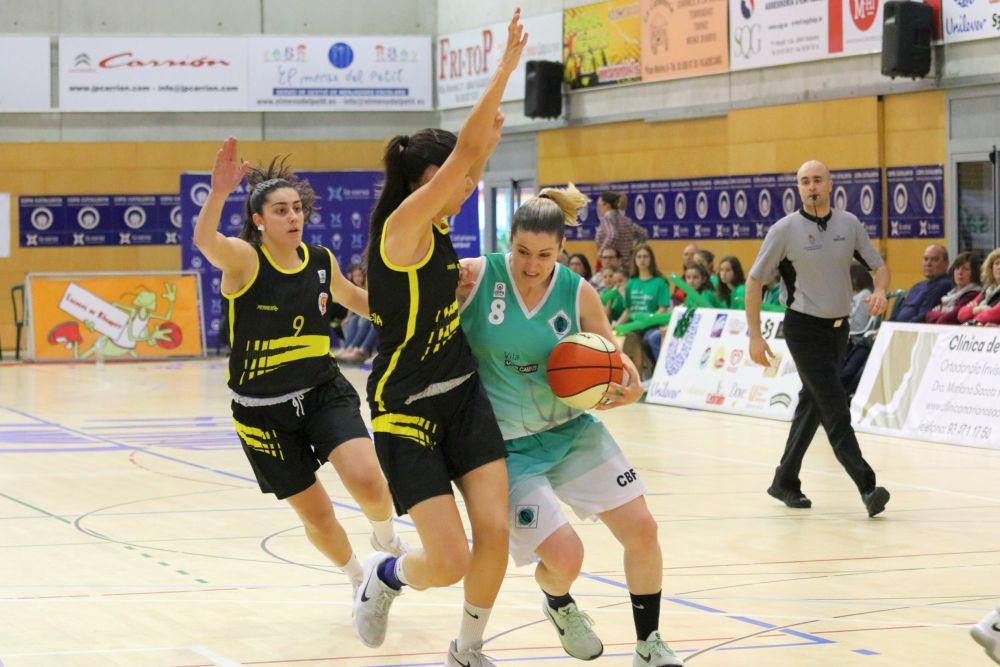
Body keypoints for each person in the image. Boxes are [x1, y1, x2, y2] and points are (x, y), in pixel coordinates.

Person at [351, 12, 527, 667]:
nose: (468, 182)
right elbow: (466, 157)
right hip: (405, 409)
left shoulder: (443, 224)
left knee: (494, 533)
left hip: (462, 394)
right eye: (451, 174)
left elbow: (470, 159)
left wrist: (480, 144)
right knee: (448, 559)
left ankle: (468, 646)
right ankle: (386, 576)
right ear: (424, 180)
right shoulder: (400, 227)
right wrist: (503, 72)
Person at [458, 184, 685, 667]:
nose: (532, 264)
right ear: (508, 241)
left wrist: (631, 381)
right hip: (507, 449)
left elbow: (611, 351)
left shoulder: (576, 290)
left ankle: (649, 644)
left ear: (561, 250)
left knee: (643, 529)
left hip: (572, 431)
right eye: (521, 251)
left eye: (544, 254)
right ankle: (559, 603)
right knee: (567, 558)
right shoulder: (477, 276)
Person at [192, 138, 407, 607]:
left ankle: (385, 537)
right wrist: (219, 191)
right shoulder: (245, 261)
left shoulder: (321, 261)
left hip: (321, 391)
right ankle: (358, 580)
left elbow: (362, 304)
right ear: (259, 221)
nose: (293, 218)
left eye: (296, 209)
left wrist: (422, 314)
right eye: (280, 211)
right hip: (261, 413)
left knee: (369, 480)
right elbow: (205, 240)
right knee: (319, 515)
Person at [745, 160, 892, 517]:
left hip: (839, 329)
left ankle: (785, 481)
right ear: (798, 188)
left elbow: (879, 266)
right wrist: (755, 337)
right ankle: (867, 485)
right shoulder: (784, 230)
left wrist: (881, 290)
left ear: (830, 185)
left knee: (813, 404)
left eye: (817, 180)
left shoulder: (849, 224)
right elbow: (754, 282)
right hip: (803, 328)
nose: (811, 187)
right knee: (834, 404)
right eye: (804, 182)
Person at [614, 243, 672, 377]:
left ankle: (658, 374)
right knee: (626, 339)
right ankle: (633, 379)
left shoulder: (660, 282)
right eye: (639, 256)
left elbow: (663, 309)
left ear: (651, 259)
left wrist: (647, 322)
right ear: (634, 260)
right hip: (633, 325)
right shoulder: (631, 283)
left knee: (648, 339)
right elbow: (628, 311)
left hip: (653, 325)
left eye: (645, 256)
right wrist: (617, 325)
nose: (642, 260)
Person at [891, 244, 951, 322]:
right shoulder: (917, 286)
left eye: (935, 260)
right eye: (926, 259)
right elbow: (898, 312)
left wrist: (902, 328)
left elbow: (923, 316)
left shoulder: (944, 285)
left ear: (946, 264)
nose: (928, 264)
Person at [335, 264, 379, 363]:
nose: (358, 278)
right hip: (364, 315)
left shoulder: (368, 285)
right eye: (355, 276)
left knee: (364, 320)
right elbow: (353, 306)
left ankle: (359, 349)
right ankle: (348, 347)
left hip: (373, 313)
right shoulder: (353, 287)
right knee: (352, 320)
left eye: (360, 275)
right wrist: (347, 318)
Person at [924, 252, 980, 325]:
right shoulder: (951, 294)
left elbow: (945, 320)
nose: (960, 273)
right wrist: (942, 313)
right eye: (957, 268)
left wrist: (940, 313)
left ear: (974, 273)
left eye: (965, 269)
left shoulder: (972, 294)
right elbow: (928, 315)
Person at [596, 191, 647, 268]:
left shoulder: (607, 219)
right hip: (627, 265)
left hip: (612, 265)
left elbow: (612, 235)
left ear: (607, 205)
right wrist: (634, 251)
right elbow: (643, 234)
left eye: (599, 205)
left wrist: (601, 253)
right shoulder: (626, 220)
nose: (598, 208)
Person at [958, 248, 1000, 326]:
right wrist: (980, 309)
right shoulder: (986, 291)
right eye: (996, 263)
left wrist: (973, 319)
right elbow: (961, 314)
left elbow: (992, 314)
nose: (999, 267)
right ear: (991, 268)